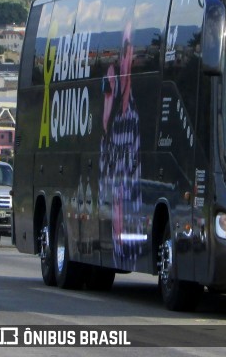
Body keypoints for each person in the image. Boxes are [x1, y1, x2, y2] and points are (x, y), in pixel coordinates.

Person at [100, 21, 143, 270]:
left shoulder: (135, 123)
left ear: (131, 57)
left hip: (127, 241)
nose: (122, 60)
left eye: (126, 51)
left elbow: (130, 191)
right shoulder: (113, 117)